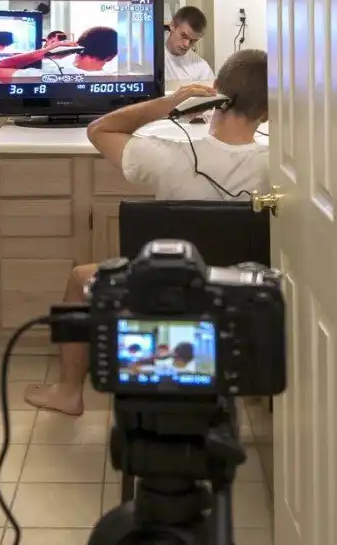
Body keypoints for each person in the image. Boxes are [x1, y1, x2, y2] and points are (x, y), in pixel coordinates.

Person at [23, 48, 269, 416]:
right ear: (268, 111)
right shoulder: (278, 166)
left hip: (162, 288)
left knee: (79, 279)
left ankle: (68, 392)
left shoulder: (165, 156)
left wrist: (171, 102)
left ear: (215, 91)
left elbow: (99, 129)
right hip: (238, 292)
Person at [0, 26, 118, 82]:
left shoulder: (48, 74)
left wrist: (46, 51)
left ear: (77, 45)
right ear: (111, 56)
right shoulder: (113, 82)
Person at [165, 6, 215, 83]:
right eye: (183, 35)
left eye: (193, 40)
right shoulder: (150, 56)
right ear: (172, 26)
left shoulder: (202, 67)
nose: (186, 44)